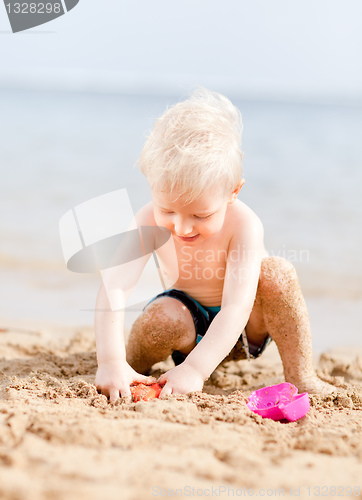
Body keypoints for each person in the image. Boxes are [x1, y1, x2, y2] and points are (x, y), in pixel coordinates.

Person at [95, 88, 335, 402]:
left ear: (233, 191)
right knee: (157, 322)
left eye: (201, 214)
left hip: (247, 324)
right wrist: (110, 360)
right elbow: (115, 285)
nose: (181, 226)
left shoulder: (244, 224)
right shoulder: (147, 220)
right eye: (167, 210)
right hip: (189, 322)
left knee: (278, 273)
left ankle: (302, 376)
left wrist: (196, 370)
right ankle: (130, 371)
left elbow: (236, 306)